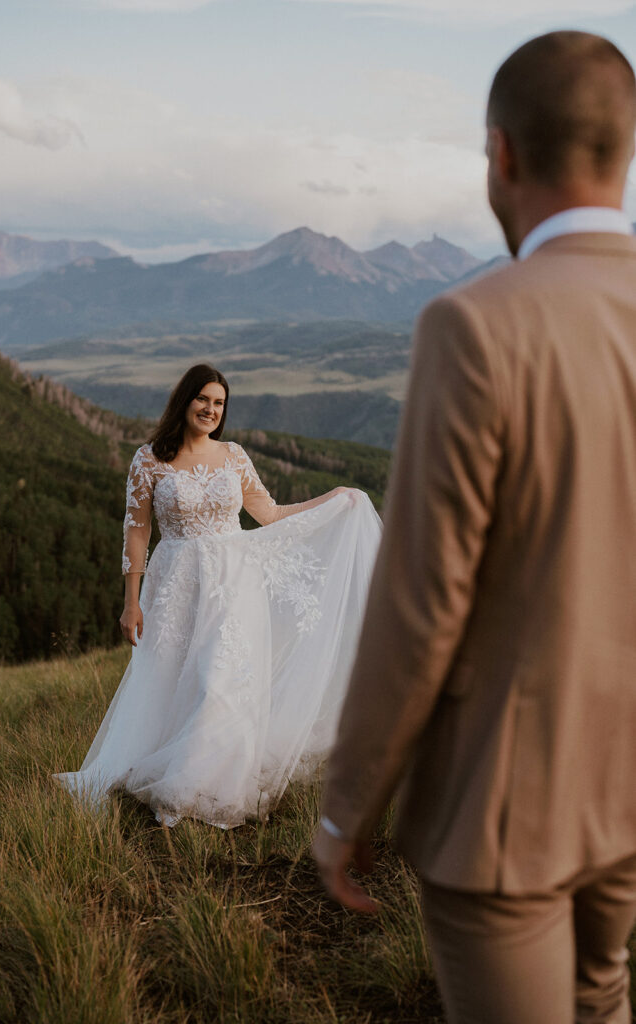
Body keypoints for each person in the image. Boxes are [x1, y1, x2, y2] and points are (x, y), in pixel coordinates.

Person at [313, 30, 636, 1024]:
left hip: (505, 804)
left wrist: (346, 805)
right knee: (604, 997)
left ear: (498, 154)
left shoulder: (475, 325)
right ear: (622, 153)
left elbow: (419, 601)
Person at [55, 363, 381, 828]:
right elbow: (137, 531)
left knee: (220, 683)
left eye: (219, 403)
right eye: (203, 399)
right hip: (176, 585)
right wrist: (131, 600)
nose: (211, 409)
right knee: (172, 680)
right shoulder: (149, 460)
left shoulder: (233, 456)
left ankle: (201, 789)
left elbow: (269, 513)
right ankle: (169, 772)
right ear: (185, 400)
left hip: (234, 583)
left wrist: (331, 498)